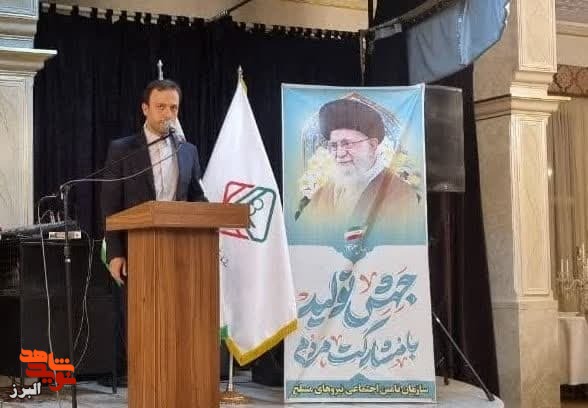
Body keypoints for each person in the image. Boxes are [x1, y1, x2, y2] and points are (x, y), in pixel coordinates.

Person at [101, 79, 206, 285]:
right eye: (161, 107)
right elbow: (110, 205)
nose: (168, 114)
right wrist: (115, 253)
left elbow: (197, 197)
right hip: (136, 249)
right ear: (145, 109)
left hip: (181, 250)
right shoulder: (122, 150)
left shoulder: (188, 151)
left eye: (173, 108)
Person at [302, 97, 424, 243]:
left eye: (347, 144)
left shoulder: (400, 193)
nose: (340, 154)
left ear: (372, 146)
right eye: (334, 146)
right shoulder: (322, 194)